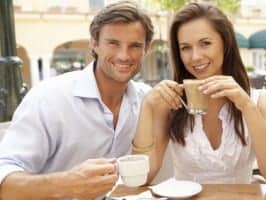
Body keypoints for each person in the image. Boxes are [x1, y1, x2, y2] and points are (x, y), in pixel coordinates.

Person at [0, 1, 153, 199]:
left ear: (146, 49)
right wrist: (68, 184)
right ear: (94, 43)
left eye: (134, 46)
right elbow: (4, 182)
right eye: (113, 43)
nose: (123, 55)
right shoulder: (48, 98)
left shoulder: (146, 100)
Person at [133, 2, 266, 189]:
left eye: (205, 43)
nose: (195, 57)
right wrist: (147, 105)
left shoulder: (261, 102)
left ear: (225, 43)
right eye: (185, 48)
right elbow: (140, 179)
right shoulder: (171, 103)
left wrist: (247, 106)